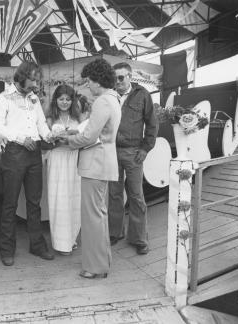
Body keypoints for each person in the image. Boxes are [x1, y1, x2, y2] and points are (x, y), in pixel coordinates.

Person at [59, 58, 121, 279]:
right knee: (99, 215)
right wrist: (75, 135)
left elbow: (89, 136)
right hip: (103, 162)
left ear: (98, 80)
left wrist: (67, 140)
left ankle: (94, 267)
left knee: (92, 217)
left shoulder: (103, 101)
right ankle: (102, 263)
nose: (88, 86)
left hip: (94, 163)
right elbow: (98, 133)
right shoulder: (114, 99)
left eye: (89, 81)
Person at [0, 62, 55, 266]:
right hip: (15, 153)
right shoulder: (4, 98)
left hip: (34, 152)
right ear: (21, 77)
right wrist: (19, 137)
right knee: (10, 203)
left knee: (34, 203)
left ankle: (37, 245)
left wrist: (49, 135)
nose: (36, 84)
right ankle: (6, 249)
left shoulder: (34, 98)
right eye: (33, 79)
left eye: (37, 80)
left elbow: (41, 124)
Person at [108, 62, 158, 255]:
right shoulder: (109, 95)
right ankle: (115, 232)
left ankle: (139, 238)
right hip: (112, 151)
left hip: (133, 152)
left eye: (121, 77)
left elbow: (152, 124)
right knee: (114, 194)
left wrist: (146, 148)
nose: (118, 81)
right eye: (115, 78)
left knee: (136, 196)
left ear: (130, 77)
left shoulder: (143, 95)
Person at [46, 85, 84, 256]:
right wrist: (55, 139)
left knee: (73, 199)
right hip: (56, 160)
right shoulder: (49, 118)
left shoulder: (78, 118)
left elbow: (84, 137)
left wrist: (72, 138)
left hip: (73, 160)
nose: (64, 102)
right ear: (55, 100)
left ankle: (72, 238)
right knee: (58, 200)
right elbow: (45, 140)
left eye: (68, 99)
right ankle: (61, 242)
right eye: (61, 99)